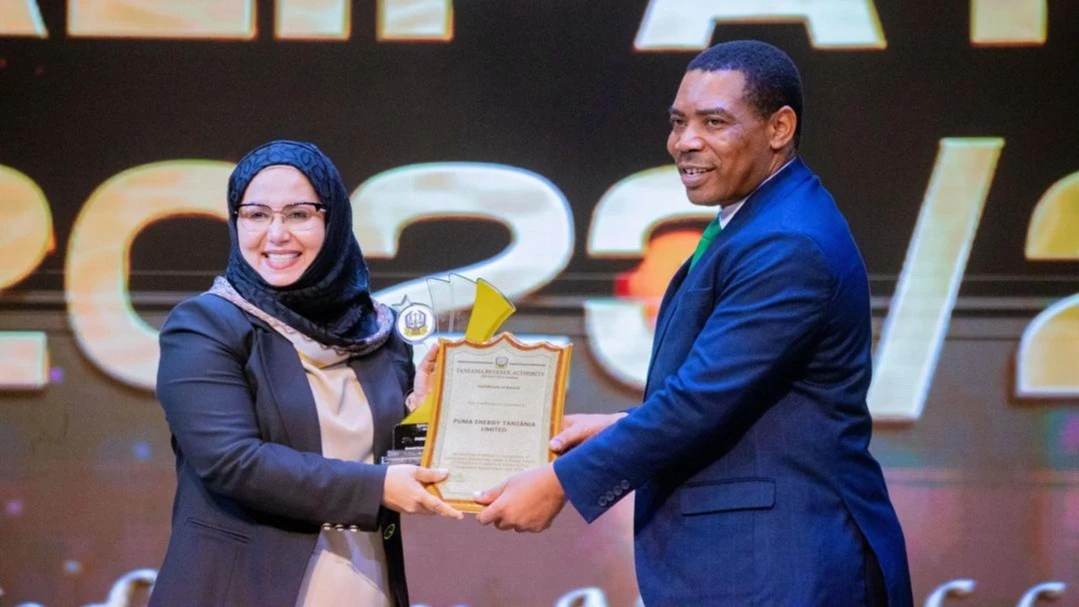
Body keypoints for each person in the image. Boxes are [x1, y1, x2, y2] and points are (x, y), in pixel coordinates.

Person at [474, 41, 914, 606]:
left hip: (783, 565)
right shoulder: (762, 218)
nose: (685, 141)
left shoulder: (787, 241)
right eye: (679, 122)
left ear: (779, 127)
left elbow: (700, 401)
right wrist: (620, 425)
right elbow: (739, 393)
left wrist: (562, 483)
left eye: (714, 122)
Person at [150, 140, 461, 607]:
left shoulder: (376, 331)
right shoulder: (205, 326)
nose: (276, 234)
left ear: (332, 221)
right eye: (255, 215)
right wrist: (377, 488)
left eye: (299, 214)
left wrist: (424, 410)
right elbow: (233, 462)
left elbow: (394, 467)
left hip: (364, 586)